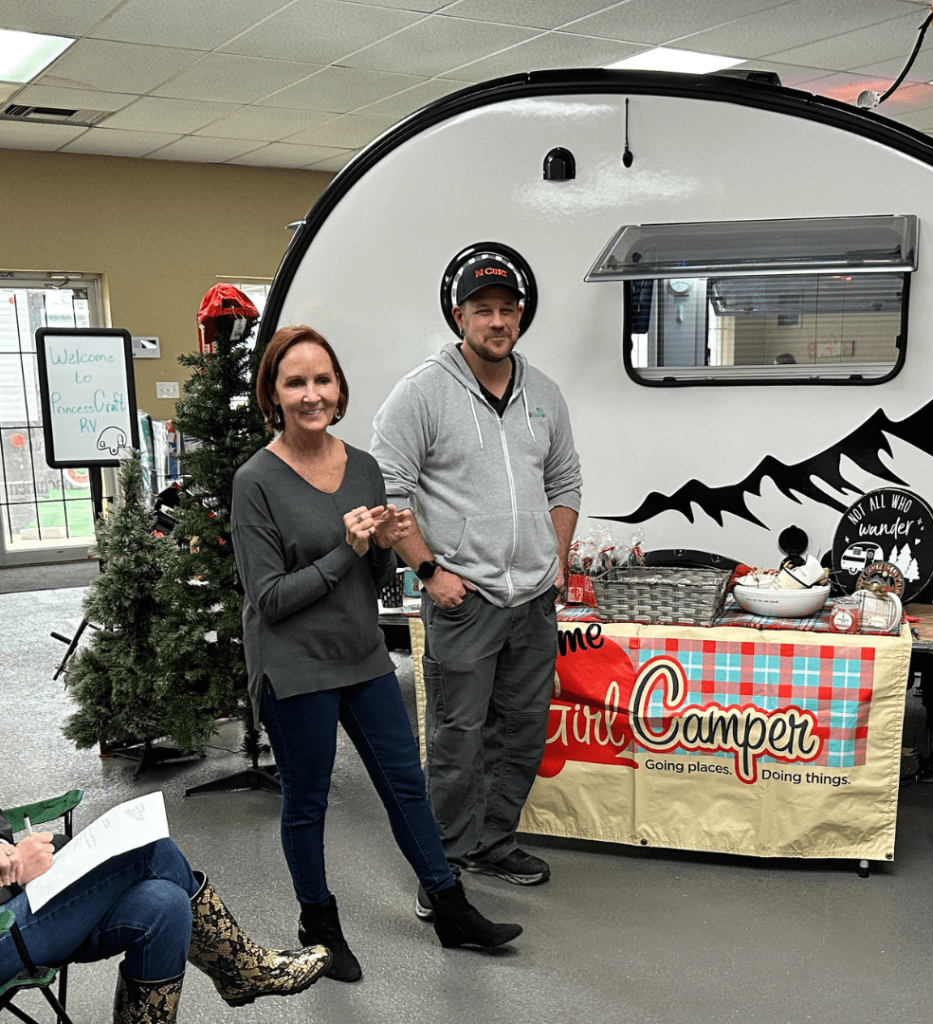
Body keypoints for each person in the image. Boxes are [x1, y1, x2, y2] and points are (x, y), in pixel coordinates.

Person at [231, 325, 522, 984]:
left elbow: (377, 582)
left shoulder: (362, 466)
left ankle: (451, 909)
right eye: (295, 382)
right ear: (272, 395)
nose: (312, 394)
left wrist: (388, 544)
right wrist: (349, 549)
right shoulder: (256, 481)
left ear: (340, 389)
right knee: (307, 803)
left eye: (322, 380)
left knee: (406, 785)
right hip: (295, 664)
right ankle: (320, 925)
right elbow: (270, 599)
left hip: (361, 655)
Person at [369, 255, 582, 911]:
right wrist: (430, 572)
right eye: (482, 309)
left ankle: (493, 845)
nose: (497, 321)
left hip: (533, 600)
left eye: (507, 309)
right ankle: (444, 869)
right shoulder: (422, 392)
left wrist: (559, 558)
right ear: (458, 316)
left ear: (520, 315)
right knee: (458, 742)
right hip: (465, 601)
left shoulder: (543, 393)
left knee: (522, 731)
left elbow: (565, 481)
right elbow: (388, 492)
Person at [0, 806, 331, 1024]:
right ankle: (242, 970)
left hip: (16, 906)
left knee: (166, 904)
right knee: (147, 848)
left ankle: (241, 971)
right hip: (6, 927)